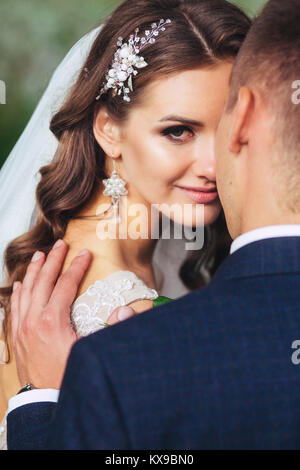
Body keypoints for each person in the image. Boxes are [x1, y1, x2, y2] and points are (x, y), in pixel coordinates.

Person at [7, 0, 300, 449]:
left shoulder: (43, 270)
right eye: (178, 131)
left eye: (222, 129)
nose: (211, 165)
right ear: (108, 129)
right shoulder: (124, 319)